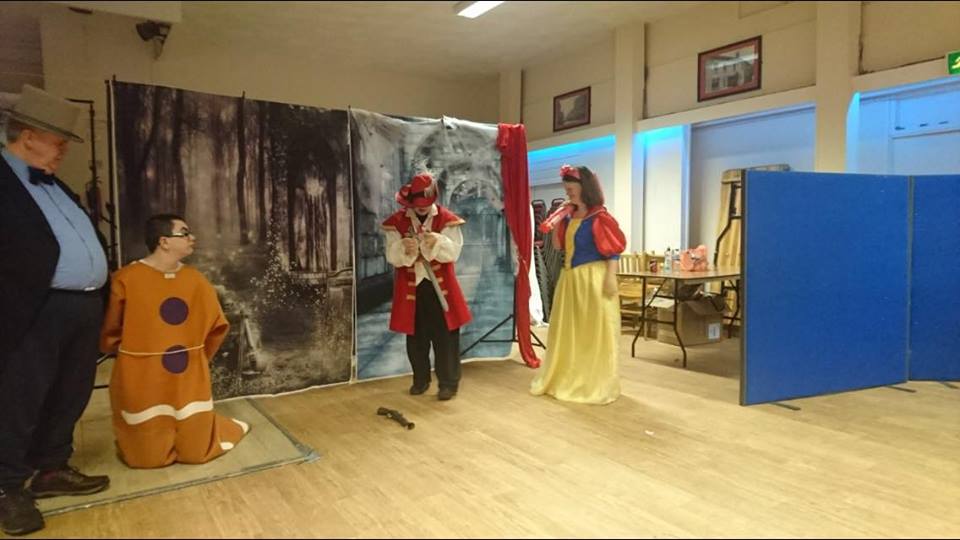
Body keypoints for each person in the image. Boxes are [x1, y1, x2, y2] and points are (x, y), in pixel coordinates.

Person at [0, 84, 110, 536]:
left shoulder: (56, 184)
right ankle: (7, 487)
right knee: (19, 398)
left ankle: (51, 468)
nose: (63, 151)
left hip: (82, 307)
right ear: (28, 136)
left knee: (71, 392)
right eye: (58, 142)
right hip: (32, 309)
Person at [99, 214, 249, 468]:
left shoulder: (196, 280)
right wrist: (136, 357)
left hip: (186, 374)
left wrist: (195, 360)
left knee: (195, 451)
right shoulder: (126, 279)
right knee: (146, 458)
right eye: (185, 233)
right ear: (164, 241)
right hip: (143, 374)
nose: (193, 238)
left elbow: (216, 327)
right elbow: (111, 332)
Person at [530, 164, 626, 404]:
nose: (568, 193)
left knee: (593, 332)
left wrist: (610, 278)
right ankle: (568, 376)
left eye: (571, 189)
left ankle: (591, 381)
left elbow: (613, 251)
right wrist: (557, 221)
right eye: (567, 189)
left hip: (593, 279)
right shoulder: (568, 215)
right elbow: (558, 246)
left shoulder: (600, 217)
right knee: (569, 332)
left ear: (584, 188)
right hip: (570, 279)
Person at [382, 172, 472, 401]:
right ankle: (420, 380)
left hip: (441, 290)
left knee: (446, 337)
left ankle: (448, 383)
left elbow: (453, 253)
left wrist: (438, 241)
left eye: (426, 204)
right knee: (416, 338)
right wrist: (404, 248)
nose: (422, 208)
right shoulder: (397, 222)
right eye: (417, 204)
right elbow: (392, 255)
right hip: (412, 288)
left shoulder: (447, 219)